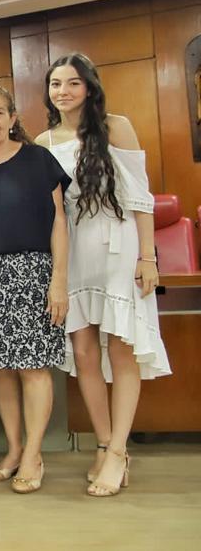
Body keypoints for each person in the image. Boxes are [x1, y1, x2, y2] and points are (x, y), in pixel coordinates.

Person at [37, 53, 171, 497]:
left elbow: (141, 198)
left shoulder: (116, 126)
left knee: (121, 349)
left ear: (89, 87)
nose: (63, 92)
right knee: (83, 351)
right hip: (73, 248)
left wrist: (148, 257)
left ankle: (118, 451)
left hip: (117, 243)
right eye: (56, 84)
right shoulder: (43, 140)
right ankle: (102, 442)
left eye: (72, 83)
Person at [0, 85, 70, 494]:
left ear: (12, 118)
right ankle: (14, 449)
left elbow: (59, 222)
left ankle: (33, 455)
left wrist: (59, 281)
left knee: (33, 367)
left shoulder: (37, 159)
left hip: (31, 273)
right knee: (1, 368)